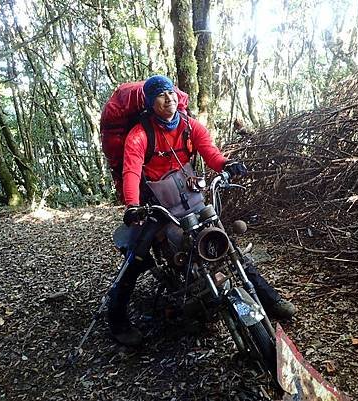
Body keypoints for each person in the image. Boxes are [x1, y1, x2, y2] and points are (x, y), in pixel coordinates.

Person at [106, 75, 296, 346]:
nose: (168, 98)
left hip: (189, 194)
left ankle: (271, 299)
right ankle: (118, 319)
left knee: (225, 244)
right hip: (157, 203)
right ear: (150, 103)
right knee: (137, 256)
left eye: (170, 93)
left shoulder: (189, 126)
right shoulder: (139, 135)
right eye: (160, 95)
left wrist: (227, 165)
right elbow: (132, 171)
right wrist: (133, 205)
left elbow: (210, 153)